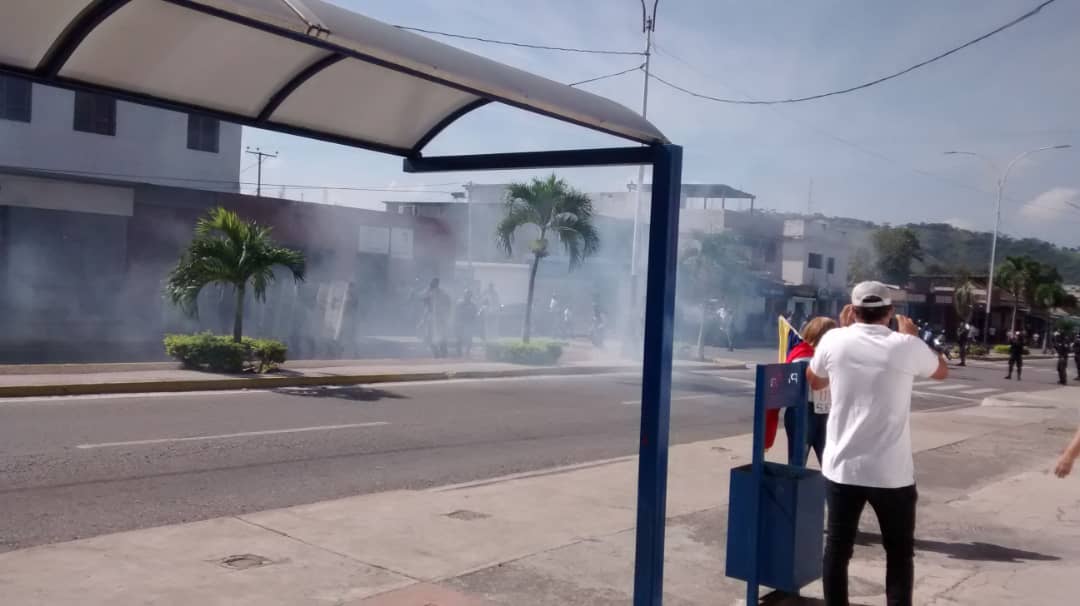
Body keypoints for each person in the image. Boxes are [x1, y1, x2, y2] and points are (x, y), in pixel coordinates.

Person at [807, 281, 949, 606]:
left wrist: (842, 338)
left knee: (838, 550)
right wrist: (912, 338)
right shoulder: (905, 345)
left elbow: (814, 381)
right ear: (891, 312)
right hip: (892, 473)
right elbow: (942, 371)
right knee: (899, 555)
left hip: (843, 468)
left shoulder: (834, 339)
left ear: (852, 311)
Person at [782, 316, 837, 466]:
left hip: (825, 411)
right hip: (804, 412)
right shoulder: (802, 357)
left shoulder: (831, 356)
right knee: (798, 462)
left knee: (830, 462)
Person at [422, 278, 451, 358]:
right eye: (431, 283)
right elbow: (425, 302)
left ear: (437, 284)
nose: (431, 284)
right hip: (431, 317)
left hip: (440, 318)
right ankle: (437, 353)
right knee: (429, 336)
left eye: (433, 283)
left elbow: (448, 304)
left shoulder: (442, 293)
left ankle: (443, 352)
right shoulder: (429, 292)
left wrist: (445, 314)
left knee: (441, 335)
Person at [453, 289, 479, 357]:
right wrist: (456, 322)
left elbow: (475, 314)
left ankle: (467, 352)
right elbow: (456, 313)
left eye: (469, 295)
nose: (467, 296)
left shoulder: (473, 305)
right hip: (460, 323)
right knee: (459, 338)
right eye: (466, 294)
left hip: (469, 323)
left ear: (471, 296)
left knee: (469, 339)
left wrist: (473, 322)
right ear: (464, 295)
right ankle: (459, 352)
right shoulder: (459, 303)